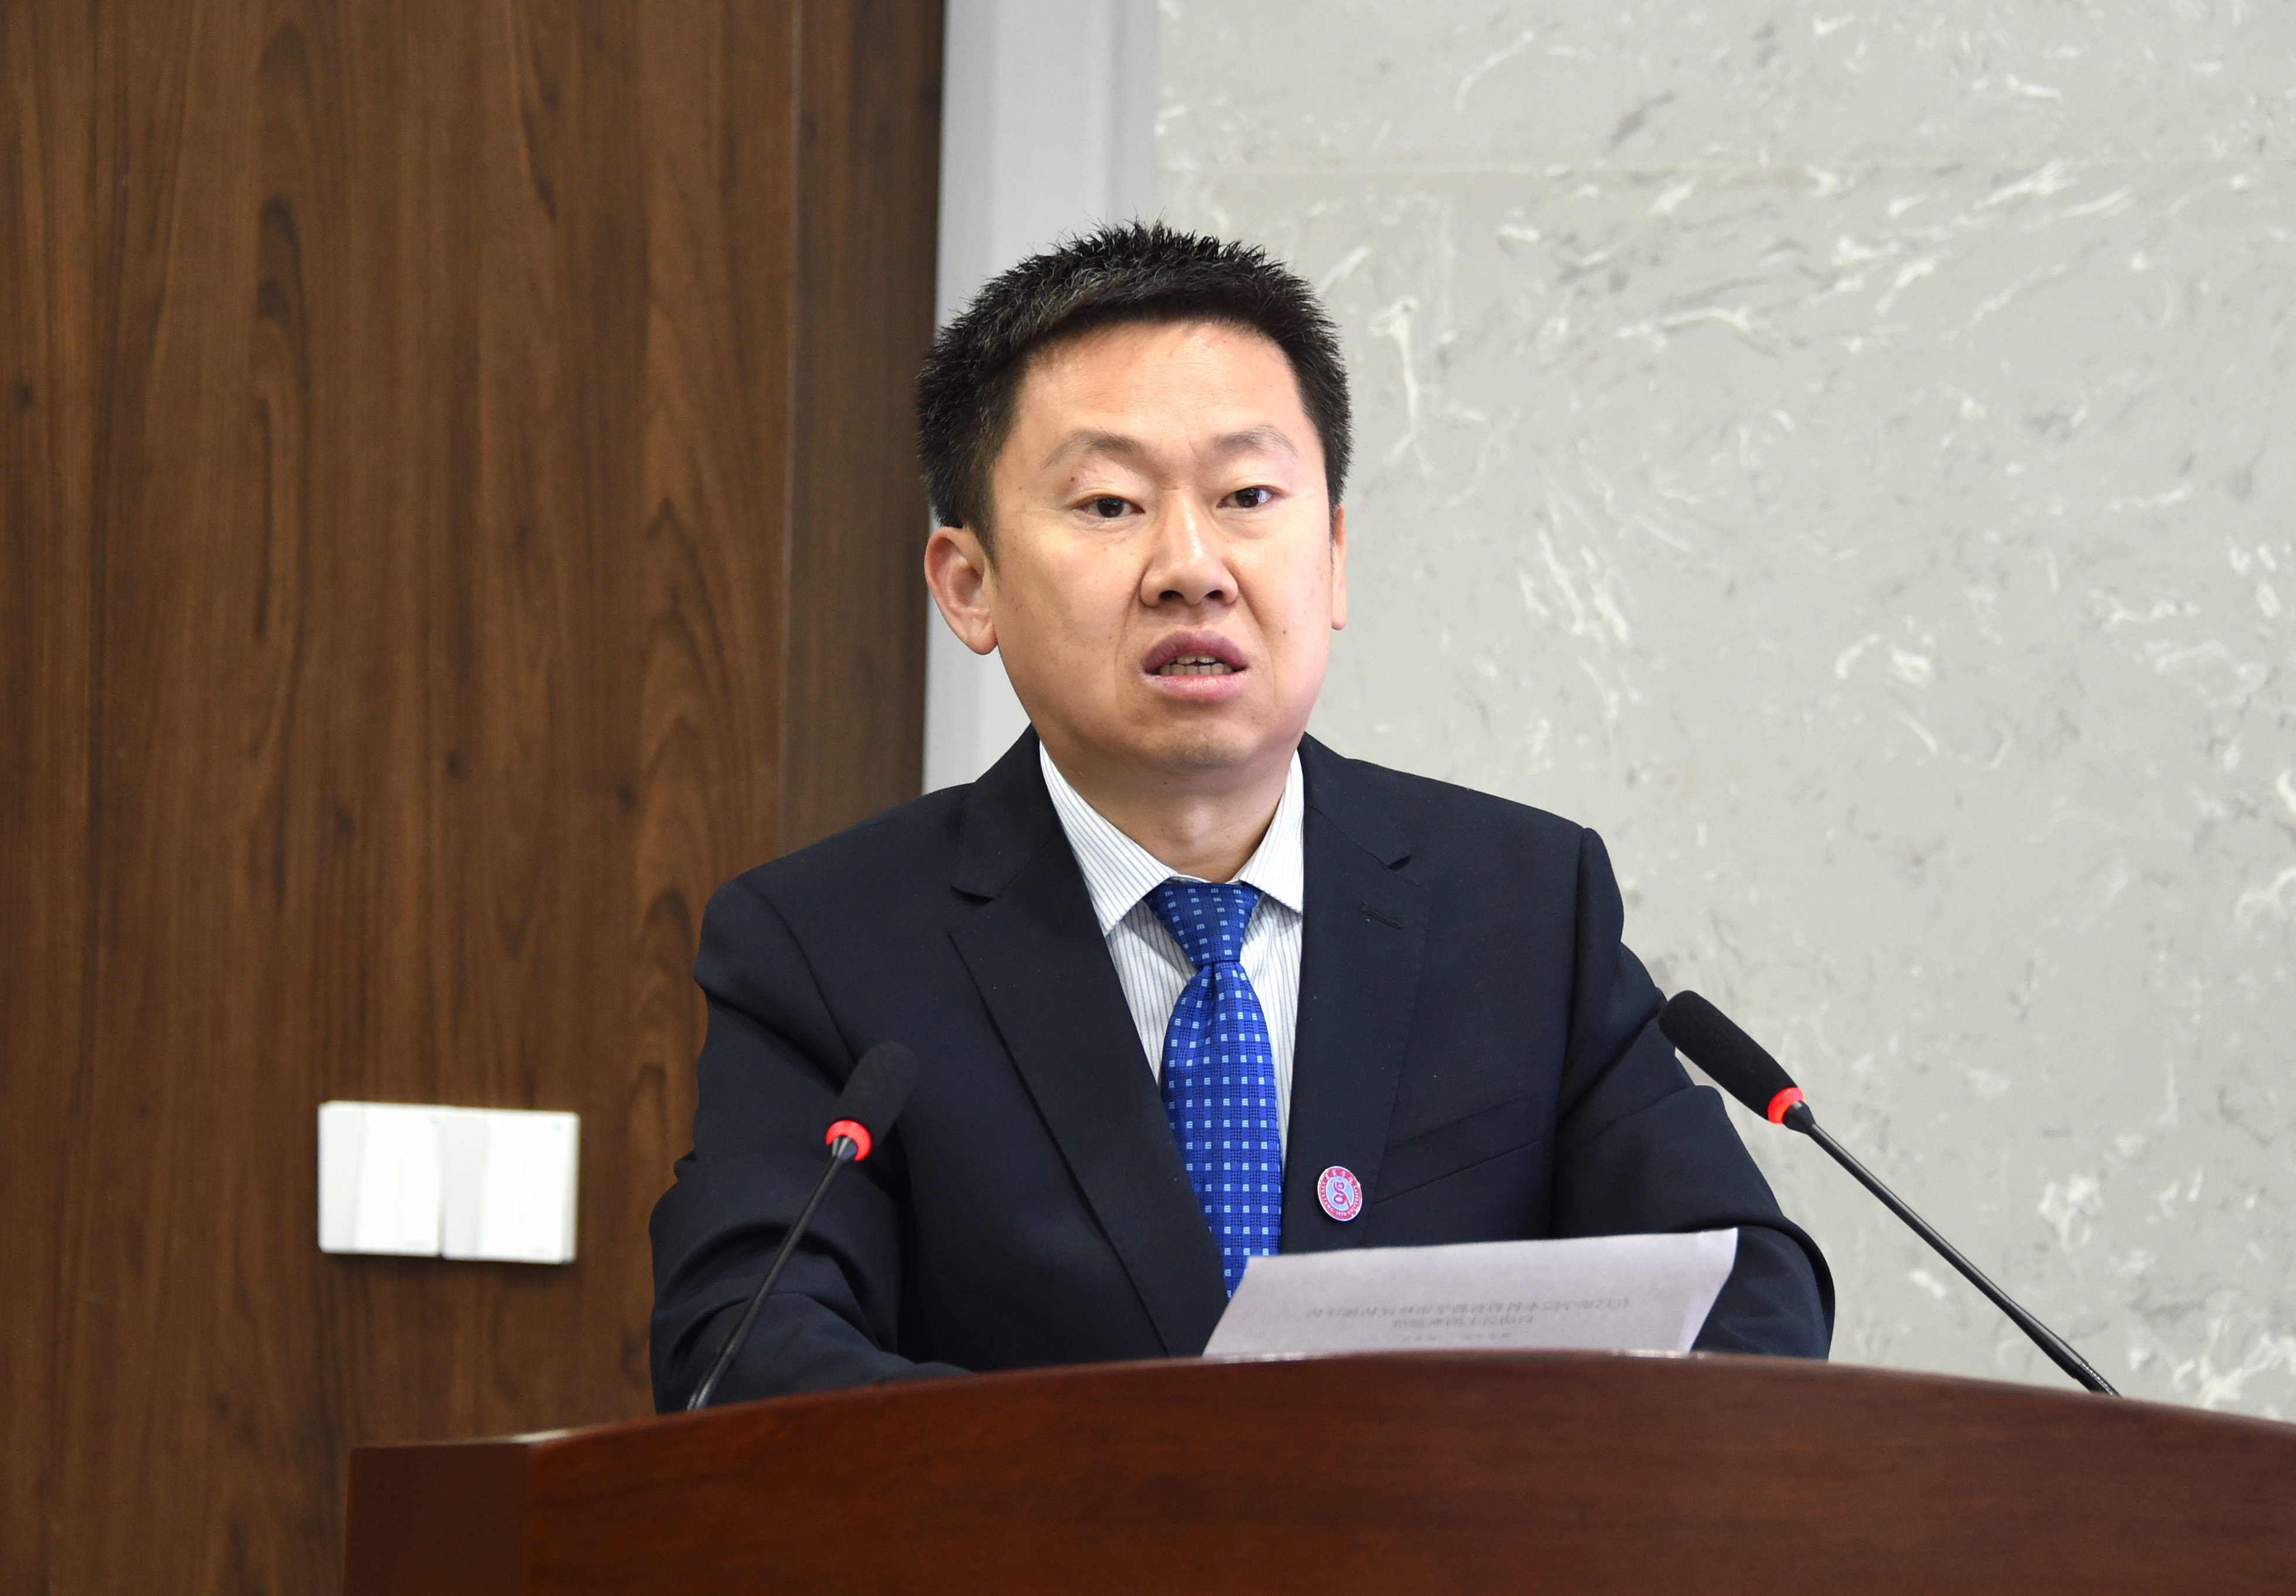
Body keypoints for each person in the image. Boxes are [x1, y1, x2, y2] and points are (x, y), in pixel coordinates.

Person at [648, 224, 1831, 1406]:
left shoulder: (1522, 903)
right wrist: (1137, 1488)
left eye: (1248, 495)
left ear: (1334, 555)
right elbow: (745, 1343)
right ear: (970, 584)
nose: (1192, 566)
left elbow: (1745, 1287)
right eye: (1109, 503)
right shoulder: (825, 946)